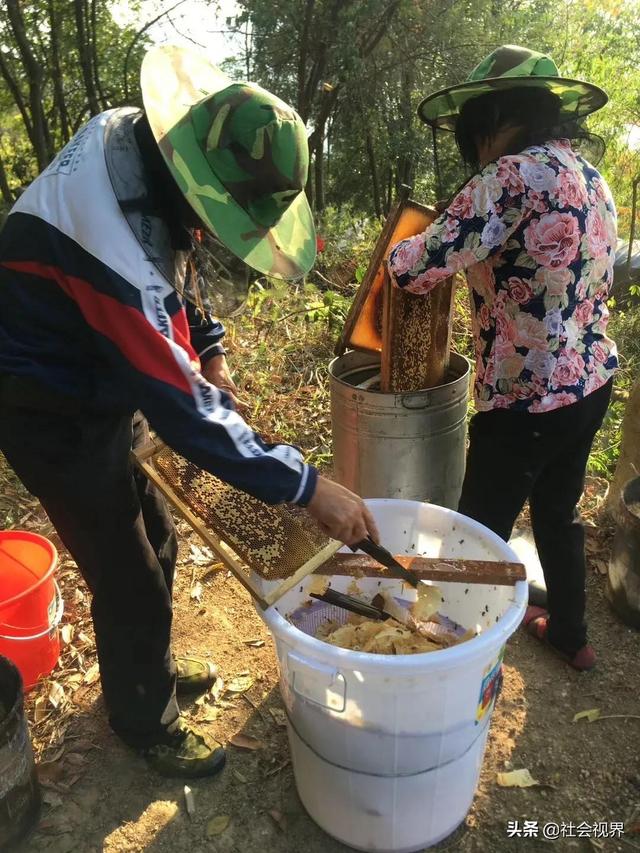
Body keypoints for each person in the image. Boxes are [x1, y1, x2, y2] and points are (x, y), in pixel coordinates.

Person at [0, 45, 377, 777]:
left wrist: (214, 352)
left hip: (104, 370)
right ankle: (145, 719)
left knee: (161, 532)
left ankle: (151, 662)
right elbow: (184, 411)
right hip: (45, 402)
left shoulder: (146, 147)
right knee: (126, 565)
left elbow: (182, 258)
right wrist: (308, 485)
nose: (209, 222)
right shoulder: (107, 237)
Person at [388, 45, 617, 672]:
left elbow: (416, 268)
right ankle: (571, 632)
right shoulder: (589, 177)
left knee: (478, 526)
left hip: (526, 396)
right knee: (558, 508)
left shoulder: (509, 178)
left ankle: (443, 653)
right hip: (591, 382)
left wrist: (394, 255)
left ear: (490, 118)